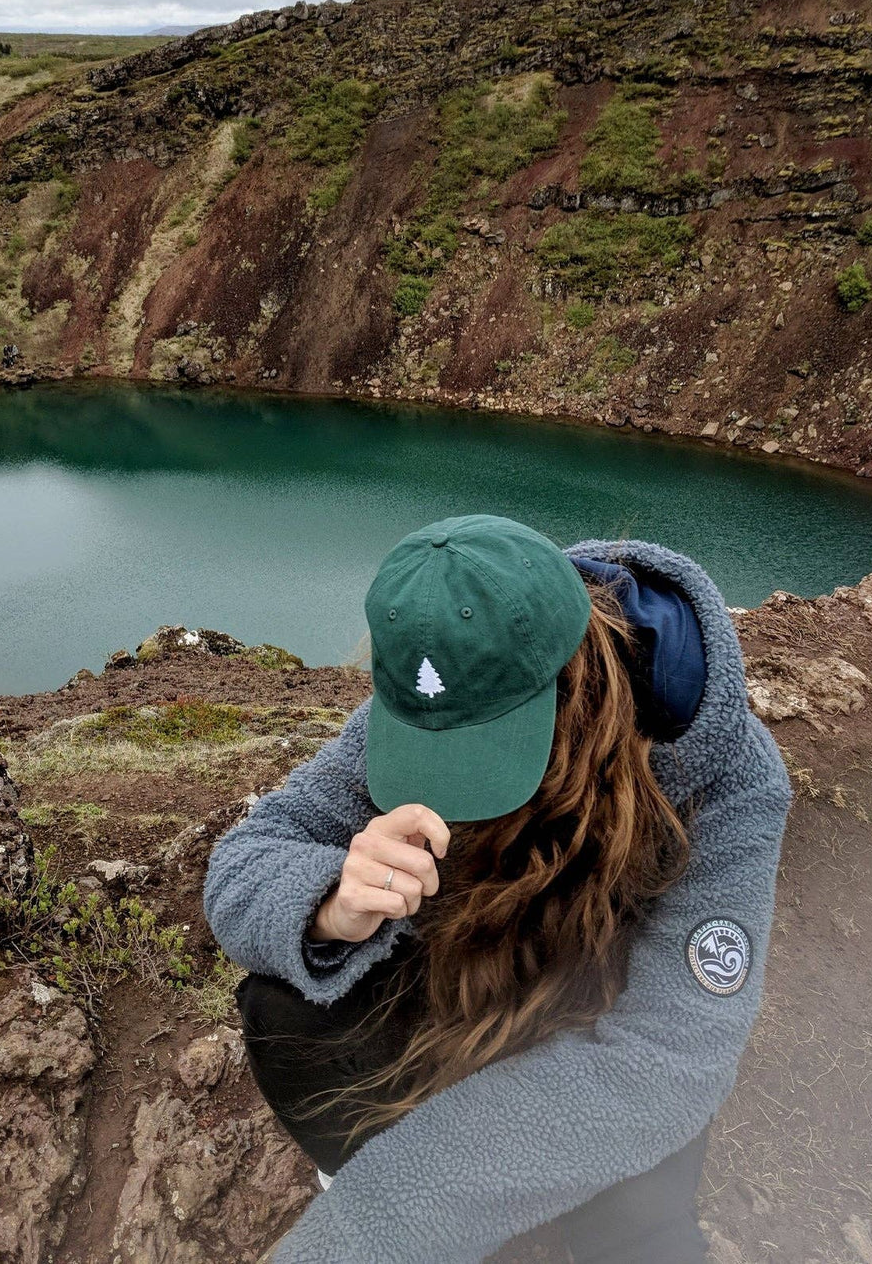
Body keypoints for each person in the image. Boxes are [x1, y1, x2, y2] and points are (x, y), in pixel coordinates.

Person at [203, 514, 793, 1264]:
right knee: (281, 1008)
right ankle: (435, 1185)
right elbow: (247, 858)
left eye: (486, 745)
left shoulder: (728, 773)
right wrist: (330, 900)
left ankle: (486, 1197)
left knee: (645, 1238)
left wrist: (382, 1216)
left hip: (596, 1034)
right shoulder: (451, 679)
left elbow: (667, 1055)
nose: (452, 776)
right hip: (476, 993)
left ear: (574, 680)